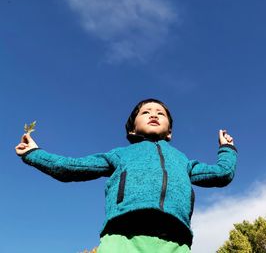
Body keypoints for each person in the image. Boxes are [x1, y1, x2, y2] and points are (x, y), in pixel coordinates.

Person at [15, 98, 238, 253]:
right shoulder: (120, 155)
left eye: (160, 113)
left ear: (169, 132)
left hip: (176, 241)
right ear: (132, 129)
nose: (153, 114)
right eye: (146, 112)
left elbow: (222, 173)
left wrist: (226, 149)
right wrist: (34, 154)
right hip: (123, 237)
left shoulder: (183, 161)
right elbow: (70, 167)